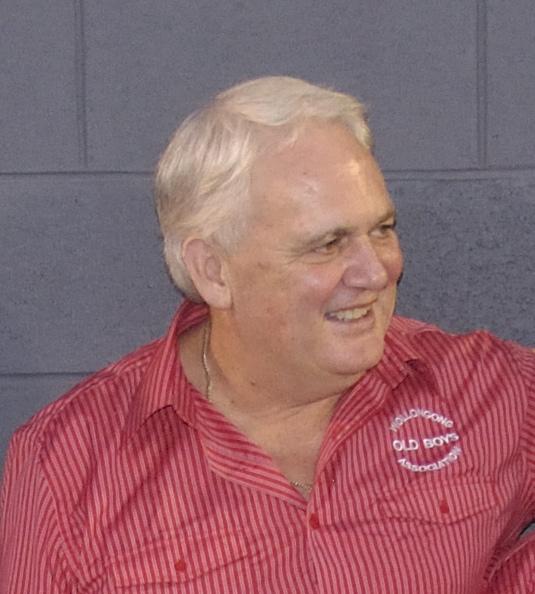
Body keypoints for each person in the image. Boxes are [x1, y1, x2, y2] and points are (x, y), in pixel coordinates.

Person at [0, 76, 534, 593]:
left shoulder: (485, 391)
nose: (376, 272)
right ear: (213, 271)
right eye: (327, 244)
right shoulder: (65, 467)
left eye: (382, 230)